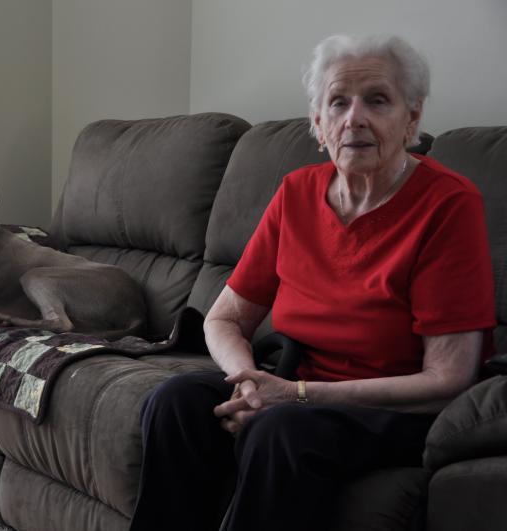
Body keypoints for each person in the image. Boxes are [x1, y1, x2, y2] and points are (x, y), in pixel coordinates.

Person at [129, 34, 496, 531]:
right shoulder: (296, 192)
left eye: (378, 100)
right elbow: (225, 318)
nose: (355, 118)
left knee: (279, 431)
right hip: (291, 383)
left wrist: (295, 395)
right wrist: (248, 384)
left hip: (395, 409)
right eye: (338, 102)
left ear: (411, 118)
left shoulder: (448, 205)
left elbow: (446, 381)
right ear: (317, 122)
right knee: (176, 402)